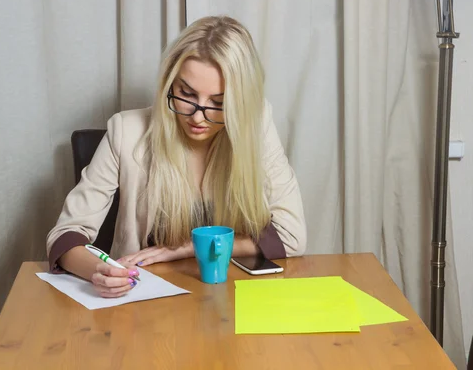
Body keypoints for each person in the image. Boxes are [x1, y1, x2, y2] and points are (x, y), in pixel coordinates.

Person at [46, 16, 307, 298]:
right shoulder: (125, 131)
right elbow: (66, 235)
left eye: (219, 103)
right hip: (145, 306)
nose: (198, 117)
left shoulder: (255, 125)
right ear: (170, 81)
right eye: (186, 93)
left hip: (231, 298)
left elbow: (291, 237)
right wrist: (98, 271)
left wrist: (187, 247)